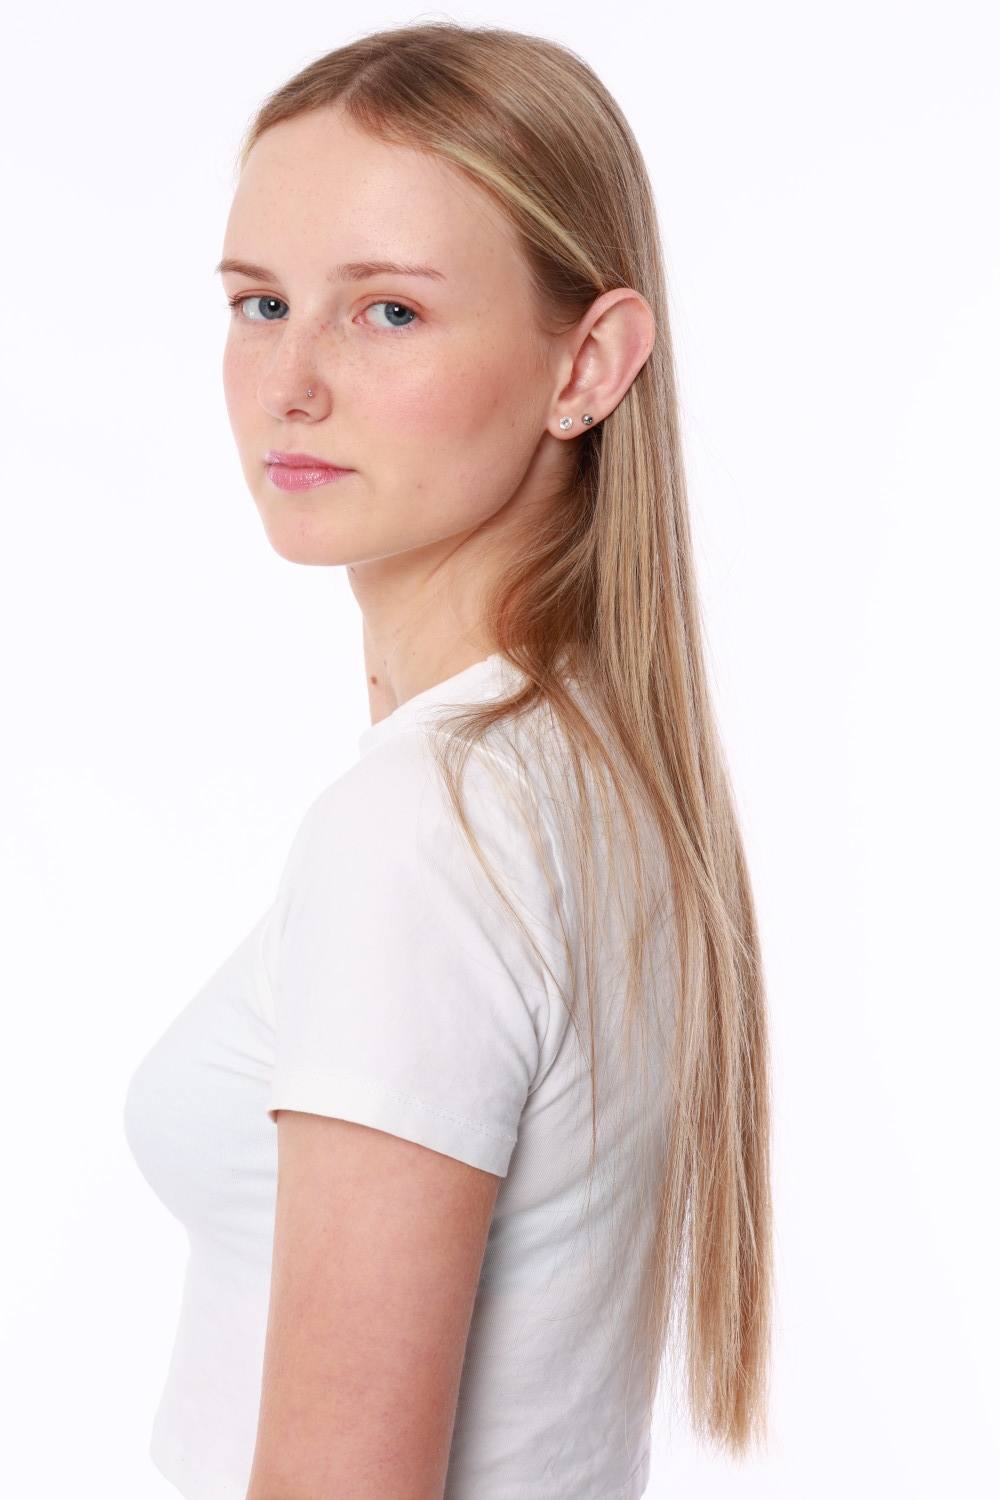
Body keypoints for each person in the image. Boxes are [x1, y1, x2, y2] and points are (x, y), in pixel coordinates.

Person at [124, 22, 772, 1500]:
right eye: (260, 302)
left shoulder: (426, 826)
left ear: (586, 363)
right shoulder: (595, 779)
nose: (289, 382)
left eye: (389, 312)